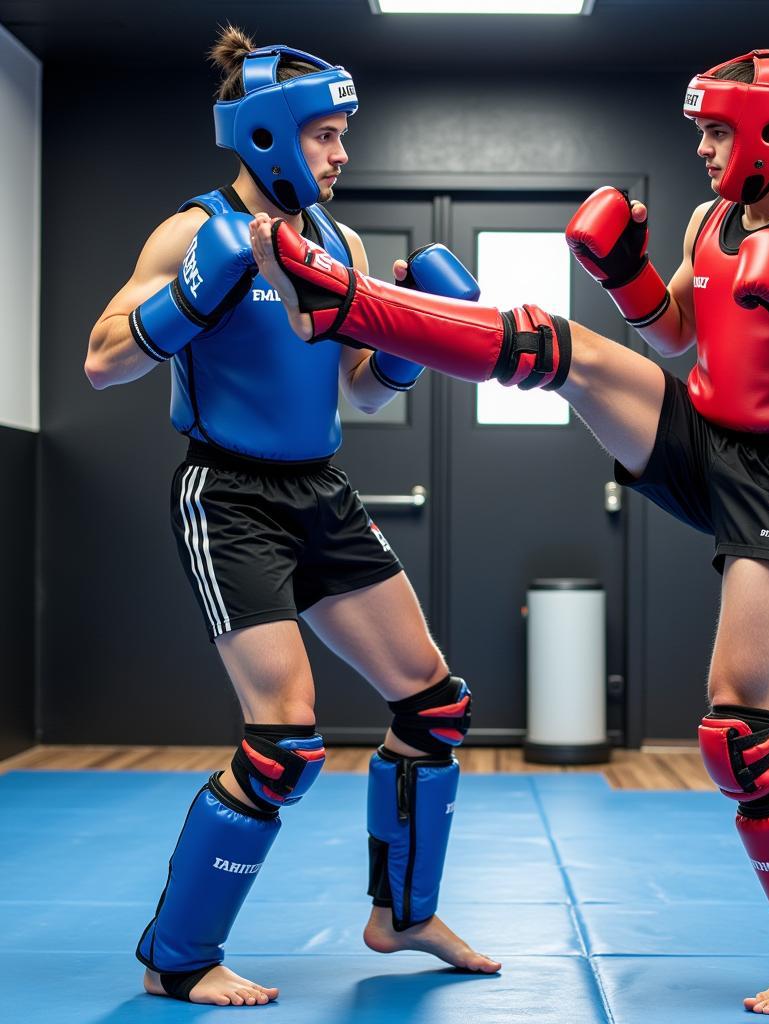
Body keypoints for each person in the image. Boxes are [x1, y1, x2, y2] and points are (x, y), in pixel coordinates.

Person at [253, 22, 769, 1014]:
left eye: (716, 134)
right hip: (701, 435)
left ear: (768, 127)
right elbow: (672, 331)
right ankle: (350, 304)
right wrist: (625, 273)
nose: (704, 153)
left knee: (740, 736)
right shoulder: (714, 220)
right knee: (559, 346)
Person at [84, 24, 498, 1008]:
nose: (341, 154)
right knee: (285, 740)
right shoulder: (189, 232)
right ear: (267, 132)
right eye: (325, 135)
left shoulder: (340, 243)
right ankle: (177, 958)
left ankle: (399, 914)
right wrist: (189, 298)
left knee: (434, 704)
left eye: (344, 135)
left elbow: (356, 391)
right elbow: (103, 360)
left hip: (322, 492)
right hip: (228, 496)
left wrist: (403, 349)